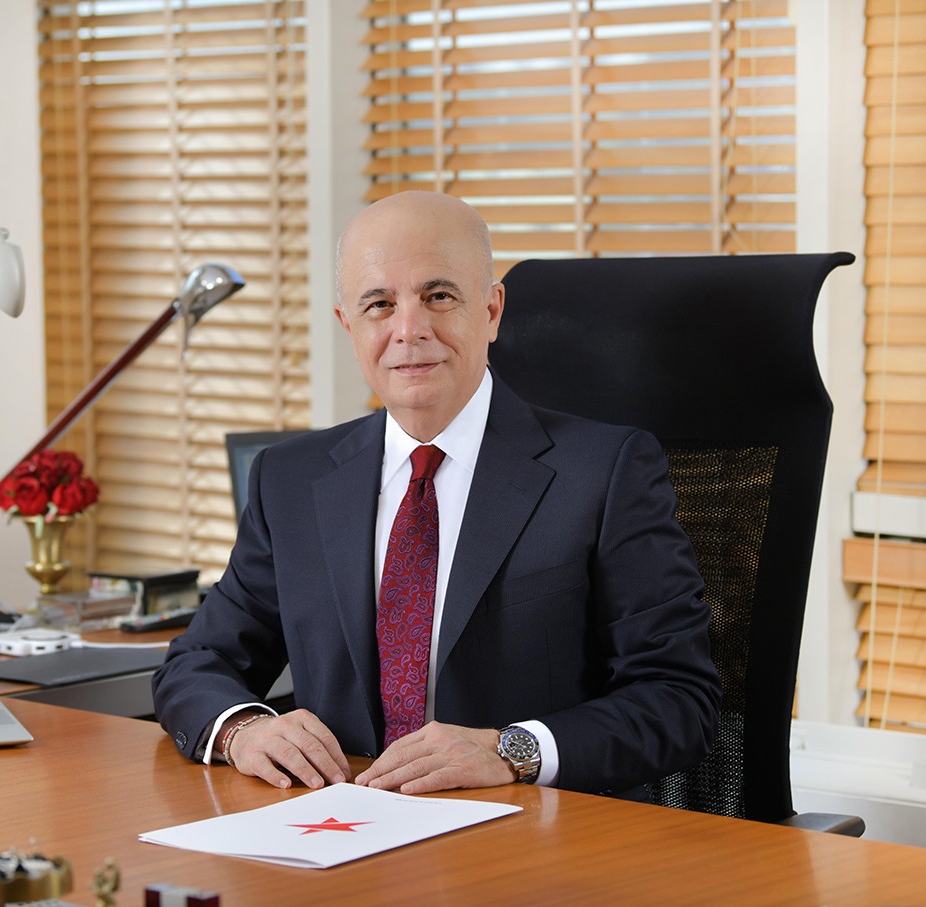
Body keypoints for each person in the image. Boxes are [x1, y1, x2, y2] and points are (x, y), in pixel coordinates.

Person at [152, 191, 721, 799]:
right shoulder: (289, 479)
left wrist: (510, 751)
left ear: (492, 311)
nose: (409, 330)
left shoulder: (605, 472)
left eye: (438, 296)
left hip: (531, 829)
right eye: (379, 304)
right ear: (348, 326)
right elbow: (197, 664)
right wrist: (242, 730)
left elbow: (679, 698)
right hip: (346, 828)